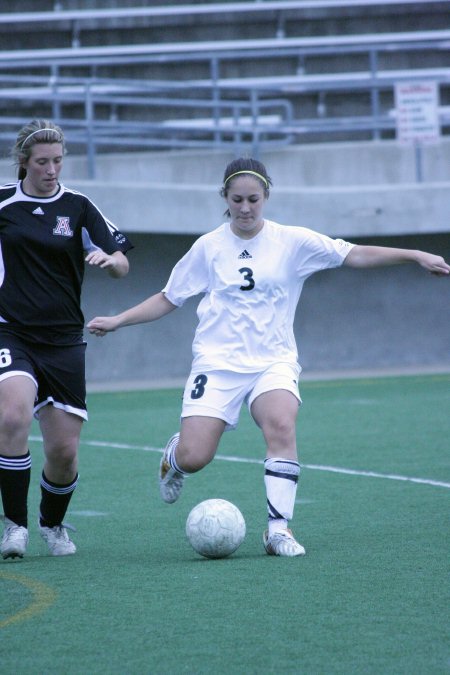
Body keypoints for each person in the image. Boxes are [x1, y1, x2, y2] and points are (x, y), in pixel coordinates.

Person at [87, 157, 449, 558]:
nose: (245, 208)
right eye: (237, 199)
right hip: (217, 363)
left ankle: (278, 531)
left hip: (272, 361)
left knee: (280, 424)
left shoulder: (292, 241)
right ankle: (174, 456)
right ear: (224, 198)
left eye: (253, 199)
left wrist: (414, 254)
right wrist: (119, 320)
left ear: (266, 197)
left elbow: (356, 254)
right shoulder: (208, 247)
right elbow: (168, 298)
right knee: (196, 456)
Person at [0, 119, 133, 559]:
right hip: (10, 331)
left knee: (63, 452)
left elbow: (121, 261)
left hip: (63, 340)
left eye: (57, 160)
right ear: (23, 162)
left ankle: (51, 525)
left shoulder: (78, 205)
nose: (52, 169)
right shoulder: (3, 203)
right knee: (12, 417)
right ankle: (14, 526)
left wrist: (109, 261)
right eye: (42, 162)